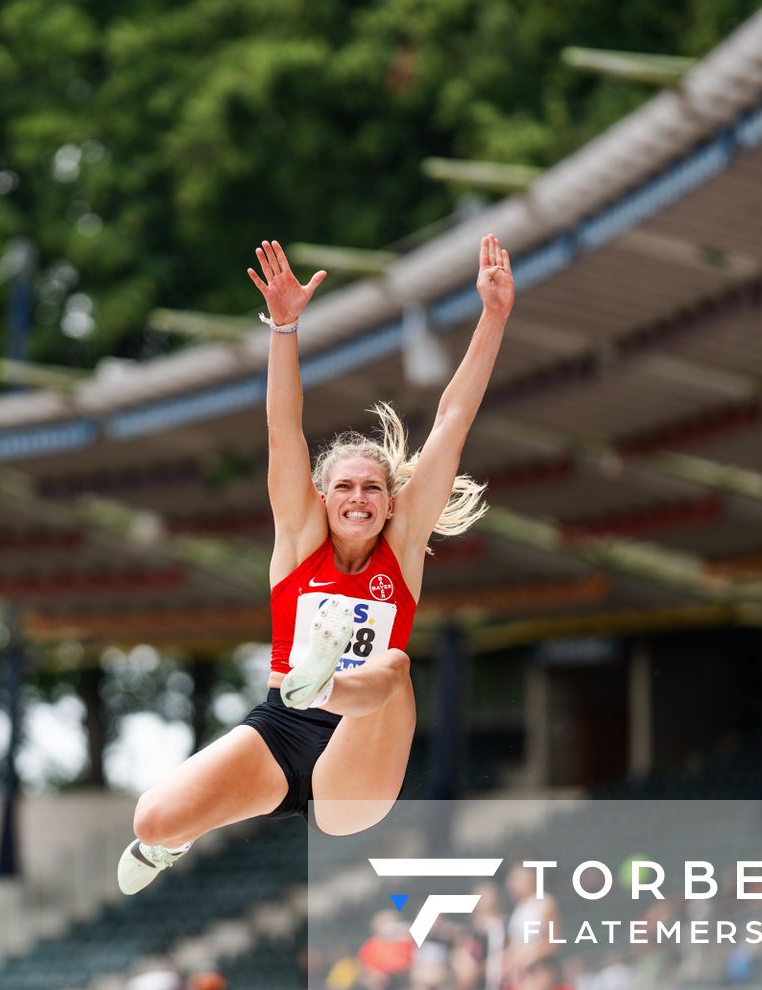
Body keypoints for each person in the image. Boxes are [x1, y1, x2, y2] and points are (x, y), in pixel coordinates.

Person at [119, 236, 514, 893]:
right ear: (323, 499)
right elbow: (283, 426)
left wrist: (493, 316)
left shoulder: (403, 544)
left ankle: (328, 683)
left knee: (392, 664)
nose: (358, 499)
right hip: (280, 728)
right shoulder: (299, 536)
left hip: (359, 760)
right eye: (345, 489)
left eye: (372, 490)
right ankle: (174, 841)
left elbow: (451, 421)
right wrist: (285, 326)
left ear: (391, 505)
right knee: (153, 819)